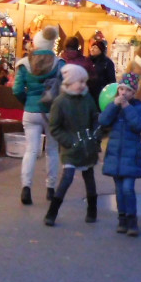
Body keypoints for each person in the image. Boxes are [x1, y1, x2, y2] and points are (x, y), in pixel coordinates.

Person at [44, 64, 102, 226]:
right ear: (69, 82)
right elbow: (55, 128)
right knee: (67, 178)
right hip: (71, 147)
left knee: (89, 178)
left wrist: (95, 137)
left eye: (84, 81)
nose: (83, 85)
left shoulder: (87, 98)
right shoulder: (60, 102)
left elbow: (95, 118)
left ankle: (92, 210)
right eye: (80, 81)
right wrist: (70, 142)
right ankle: (52, 212)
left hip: (88, 146)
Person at [12, 25, 63, 205]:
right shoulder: (59, 64)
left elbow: (17, 89)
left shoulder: (25, 64)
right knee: (52, 150)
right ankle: (50, 188)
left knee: (31, 150)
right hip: (51, 111)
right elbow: (66, 88)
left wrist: (27, 101)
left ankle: (26, 188)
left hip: (31, 111)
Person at [98, 72, 141, 236]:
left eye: (128, 90)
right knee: (119, 190)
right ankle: (122, 219)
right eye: (121, 89)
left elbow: (138, 125)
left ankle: (132, 220)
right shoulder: (114, 106)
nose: (123, 93)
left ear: (133, 93)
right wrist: (114, 106)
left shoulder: (139, 107)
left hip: (131, 155)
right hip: (115, 154)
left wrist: (127, 107)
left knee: (128, 188)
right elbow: (103, 121)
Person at [86, 38, 117, 108]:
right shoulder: (87, 61)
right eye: (92, 47)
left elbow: (112, 80)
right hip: (88, 92)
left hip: (101, 93)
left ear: (101, 50)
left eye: (95, 47)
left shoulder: (107, 62)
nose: (92, 49)